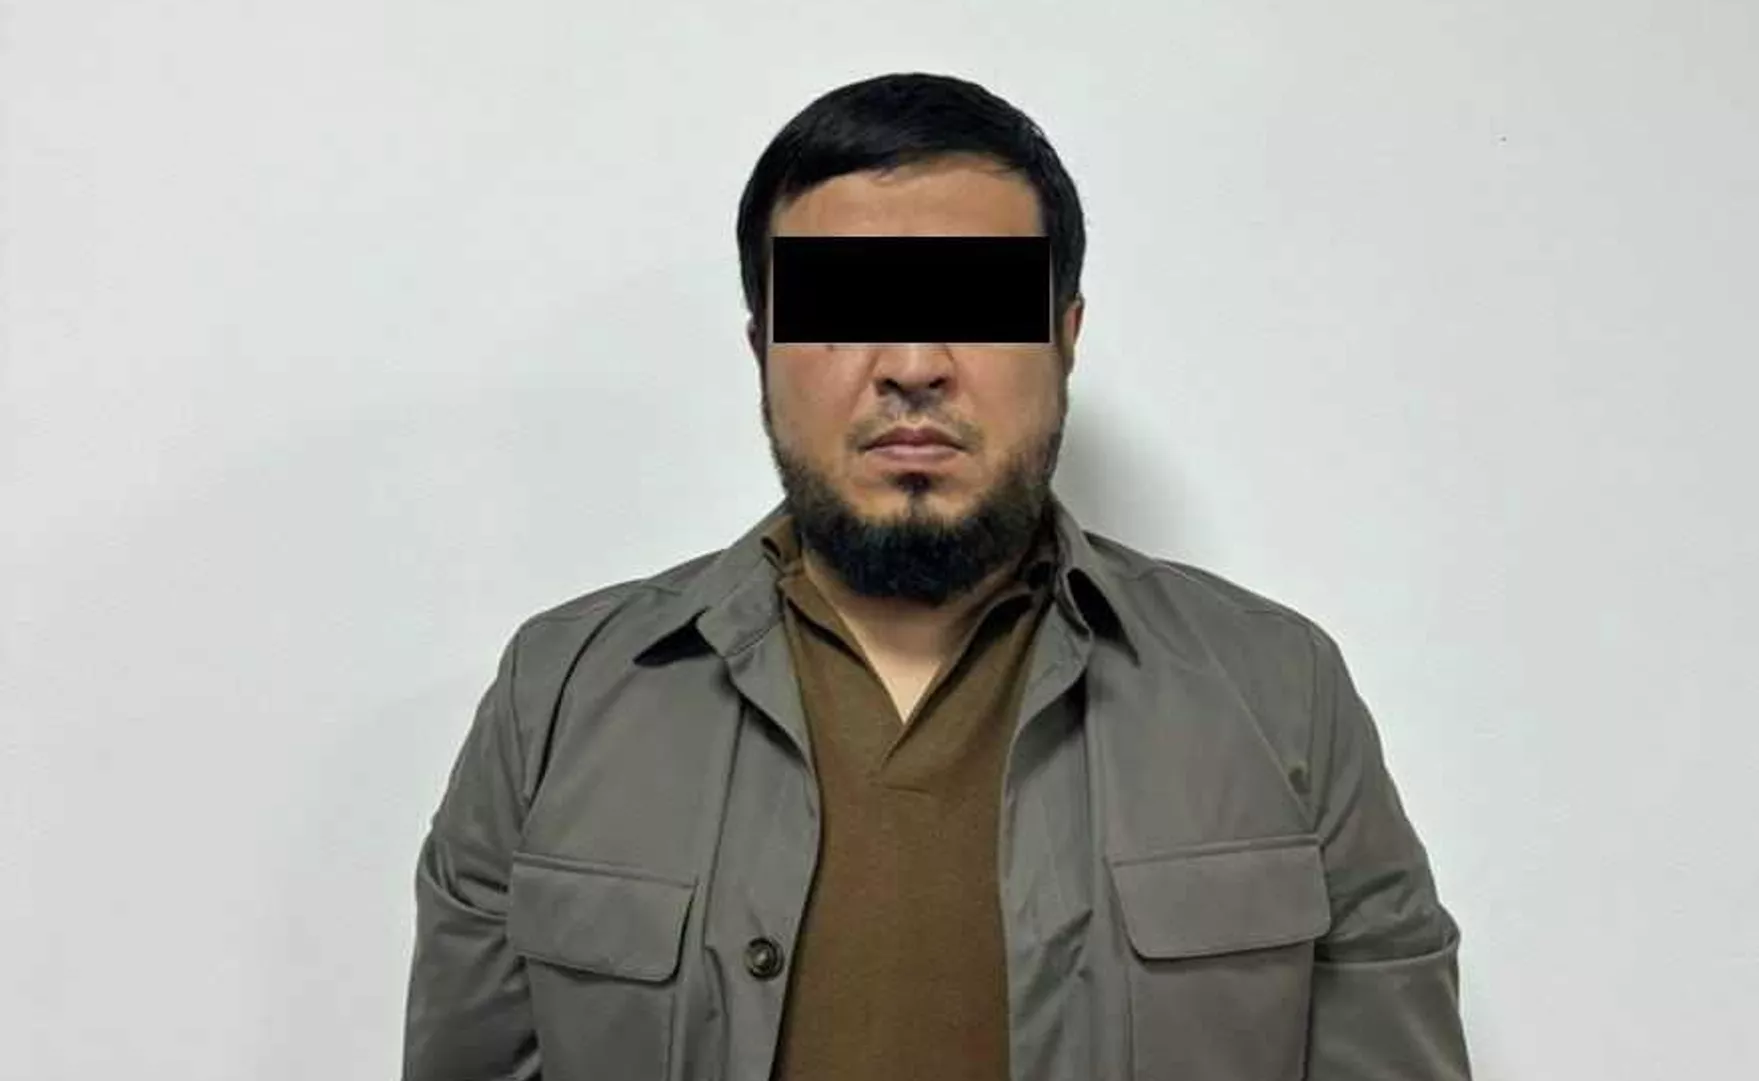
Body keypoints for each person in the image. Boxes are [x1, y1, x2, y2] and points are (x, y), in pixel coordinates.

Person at [402, 71, 1471, 1081]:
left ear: (1065, 338)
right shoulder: (559, 698)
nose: (913, 365)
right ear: (763, 347)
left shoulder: (1281, 693)